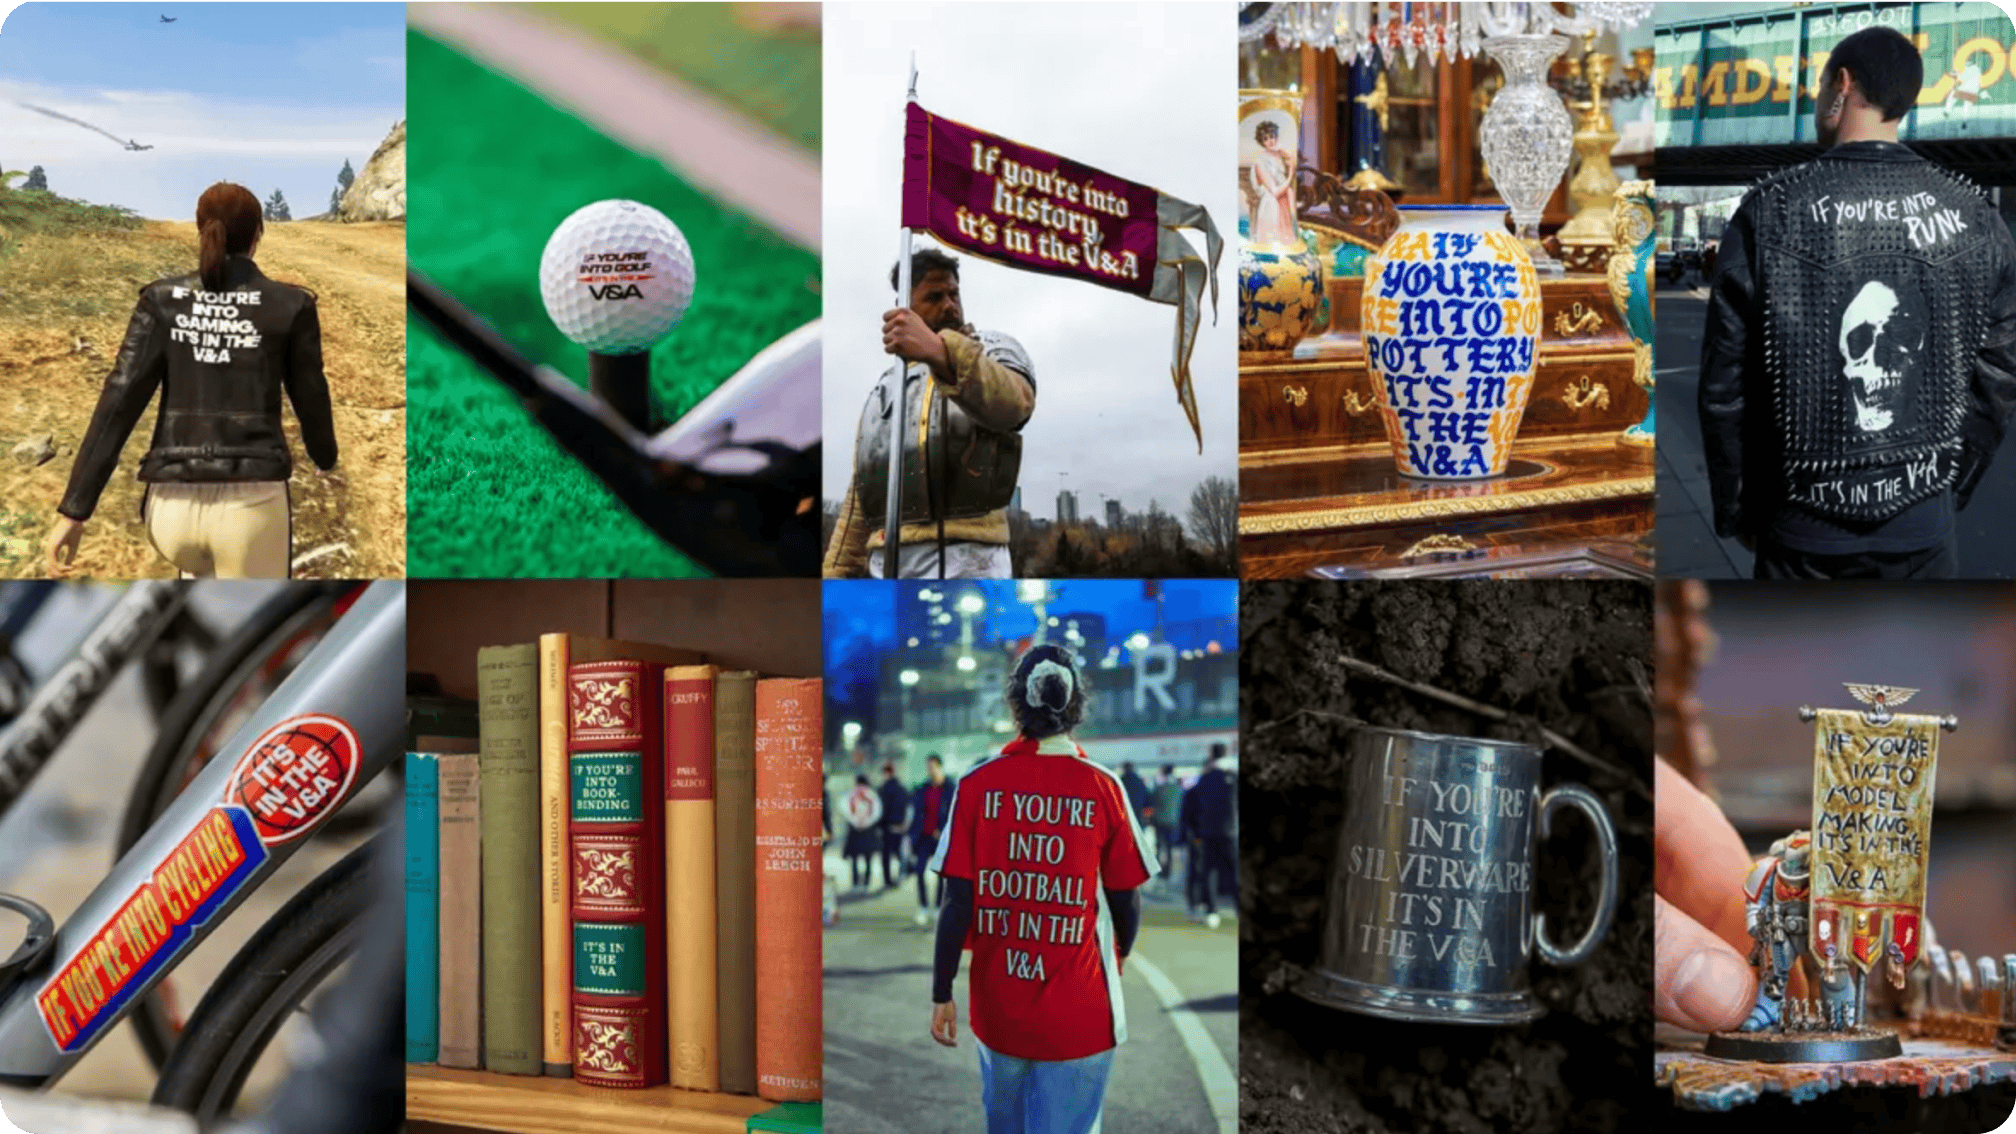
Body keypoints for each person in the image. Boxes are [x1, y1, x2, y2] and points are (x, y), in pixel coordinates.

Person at [1699, 26, 2016, 580]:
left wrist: (1736, 510)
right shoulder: (1977, 218)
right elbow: (1998, 379)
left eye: (1821, 86)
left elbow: (1725, 389)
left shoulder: (1768, 211)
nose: (1818, 101)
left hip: (1801, 533)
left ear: (1842, 85)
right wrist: (1948, 492)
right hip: (1925, 531)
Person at [47, 181, 338, 578]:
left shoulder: (160, 300)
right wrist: (325, 455)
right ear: (258, 235)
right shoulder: (291, 305)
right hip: (251, 511)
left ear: (201, 229)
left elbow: (120, 399)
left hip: (169, 511)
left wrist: (74, 510)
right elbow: (311, 394)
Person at [927, 645, 1155, 1134]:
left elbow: (957, 900)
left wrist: (942, 990)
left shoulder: (974, 784)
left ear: (1016, 707)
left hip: (999, 1009)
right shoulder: (1105, 787)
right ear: (1076, 708)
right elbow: (1126, 899)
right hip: (1082, 1012)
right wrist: (1120, 956)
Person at [824, 248, 1036, 579]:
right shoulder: (885, 389)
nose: (950, 305)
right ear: (903, 308)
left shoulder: (991, 352)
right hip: (886, 561)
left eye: (954, 294)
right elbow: (861, 496)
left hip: (970, 560)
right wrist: (834, 575)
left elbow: (1014, 404)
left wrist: (941, 352)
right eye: (934, 297)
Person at [1180, 744, 1236, 928]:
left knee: (1209, 872)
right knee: (1234, 871)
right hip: (1231, 832)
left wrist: (1194, 832)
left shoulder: (1204, 780)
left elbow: (1191, 808)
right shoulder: (1233, 778)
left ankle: (1211, 910)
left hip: (1208, 832)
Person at [911, 754, 957, 925]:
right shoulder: (923, 789)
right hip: (923, 837)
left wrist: (944, 831)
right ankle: (923, 907)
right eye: (927, 767)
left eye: (932, 767)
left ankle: (938, 907)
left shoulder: (950, 789)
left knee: (940, 875)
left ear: (940, 767)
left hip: (941, 839)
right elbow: (916, 813)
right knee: (919, 871)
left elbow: (955, 814)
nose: (929, 770)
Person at [1248, 119, 1296, 247]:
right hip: (1272, 205)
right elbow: (1275, 192)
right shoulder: (1260, 162)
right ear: (1261, 141)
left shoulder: (1278, 155)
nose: (1271, 141)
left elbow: (1289, 159)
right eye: (1266, 138)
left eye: (1273, 137)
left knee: (1288, 244)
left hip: (1283, 202)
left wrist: (1284, 154)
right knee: (1273, 244)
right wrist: (1291, 174)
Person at [842, 773, 884, 892]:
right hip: (868, 831)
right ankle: (865, 883)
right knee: (868, 858)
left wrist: (856, 822)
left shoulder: (851, 794)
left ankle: (856, 883)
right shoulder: (872, 795)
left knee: (855, 859)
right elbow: (877, 812)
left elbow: (844, 808)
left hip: (855, 830)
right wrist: (866, 823)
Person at [878, 761, 913, 891]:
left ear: (886, 773)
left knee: (886, 855)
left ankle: (888, 880)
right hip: (900, 827)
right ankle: (902, 874)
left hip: (887, 827)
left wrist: (880, 826)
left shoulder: (882, 789)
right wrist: (905, 825)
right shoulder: (902, 788)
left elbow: (880, 809)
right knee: (899, 853)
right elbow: (909, 807)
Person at [1147, 764, 1184, 883]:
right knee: (1169, 848)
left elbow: (1153, 802)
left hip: (1160, 821)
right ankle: (1167, 872)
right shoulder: (1178, 788)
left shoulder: (1160, 787)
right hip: (1173, 822)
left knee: (1159, 847)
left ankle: (1157, 870)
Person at [1117, 761, 1150, 831]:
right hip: (1138, 813)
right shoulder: (1139, 781)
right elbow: (1147, 798)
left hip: (1124, 813)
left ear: (1124, 769)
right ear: (1133, 768)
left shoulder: (1120, 781)